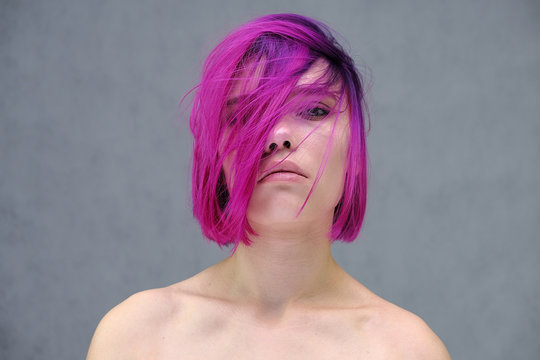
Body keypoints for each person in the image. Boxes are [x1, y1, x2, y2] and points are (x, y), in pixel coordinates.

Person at [87, 13, 451, 359]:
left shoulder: (408, 351)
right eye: (247, 115)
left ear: (354, 149)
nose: (278, 136)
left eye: (314, 110)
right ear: (216, 157)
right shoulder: (133, 337)